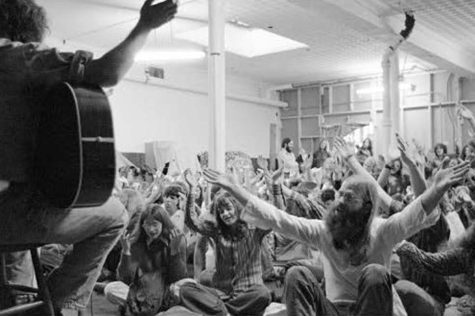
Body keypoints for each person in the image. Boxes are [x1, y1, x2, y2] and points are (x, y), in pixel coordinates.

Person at [0, 0, 177, 314]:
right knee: (114, 216)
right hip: (14, 213)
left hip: (9, 220)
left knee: (18, 281)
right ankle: (59, 303)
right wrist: (145, 25)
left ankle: (29, 303)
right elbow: (109, 72)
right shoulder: (17, 56)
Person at [202, 136, 470, 316]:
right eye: (340, 195)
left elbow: (415, 212)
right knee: (297, 273)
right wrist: (236, 190)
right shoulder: (323, 231)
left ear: (365, 209)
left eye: (348, 197)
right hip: (333, 310)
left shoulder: (382, 231)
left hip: (374, 309)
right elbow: (278, 219)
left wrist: (436, 188)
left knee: (376, 272)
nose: (339, 201)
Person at [183, 170, 272, 316]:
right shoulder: (217, 231)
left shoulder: (254, 229)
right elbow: (192, 223)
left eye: (228, 208)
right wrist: (192, 191)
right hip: (221, 294)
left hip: (248, 293)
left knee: (263, 294)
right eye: (221, 211)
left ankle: (221, 311)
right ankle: (226, 311)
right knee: (186, 289)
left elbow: (277, 217)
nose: (225, 214)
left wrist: (274, 186)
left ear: (236, 208)